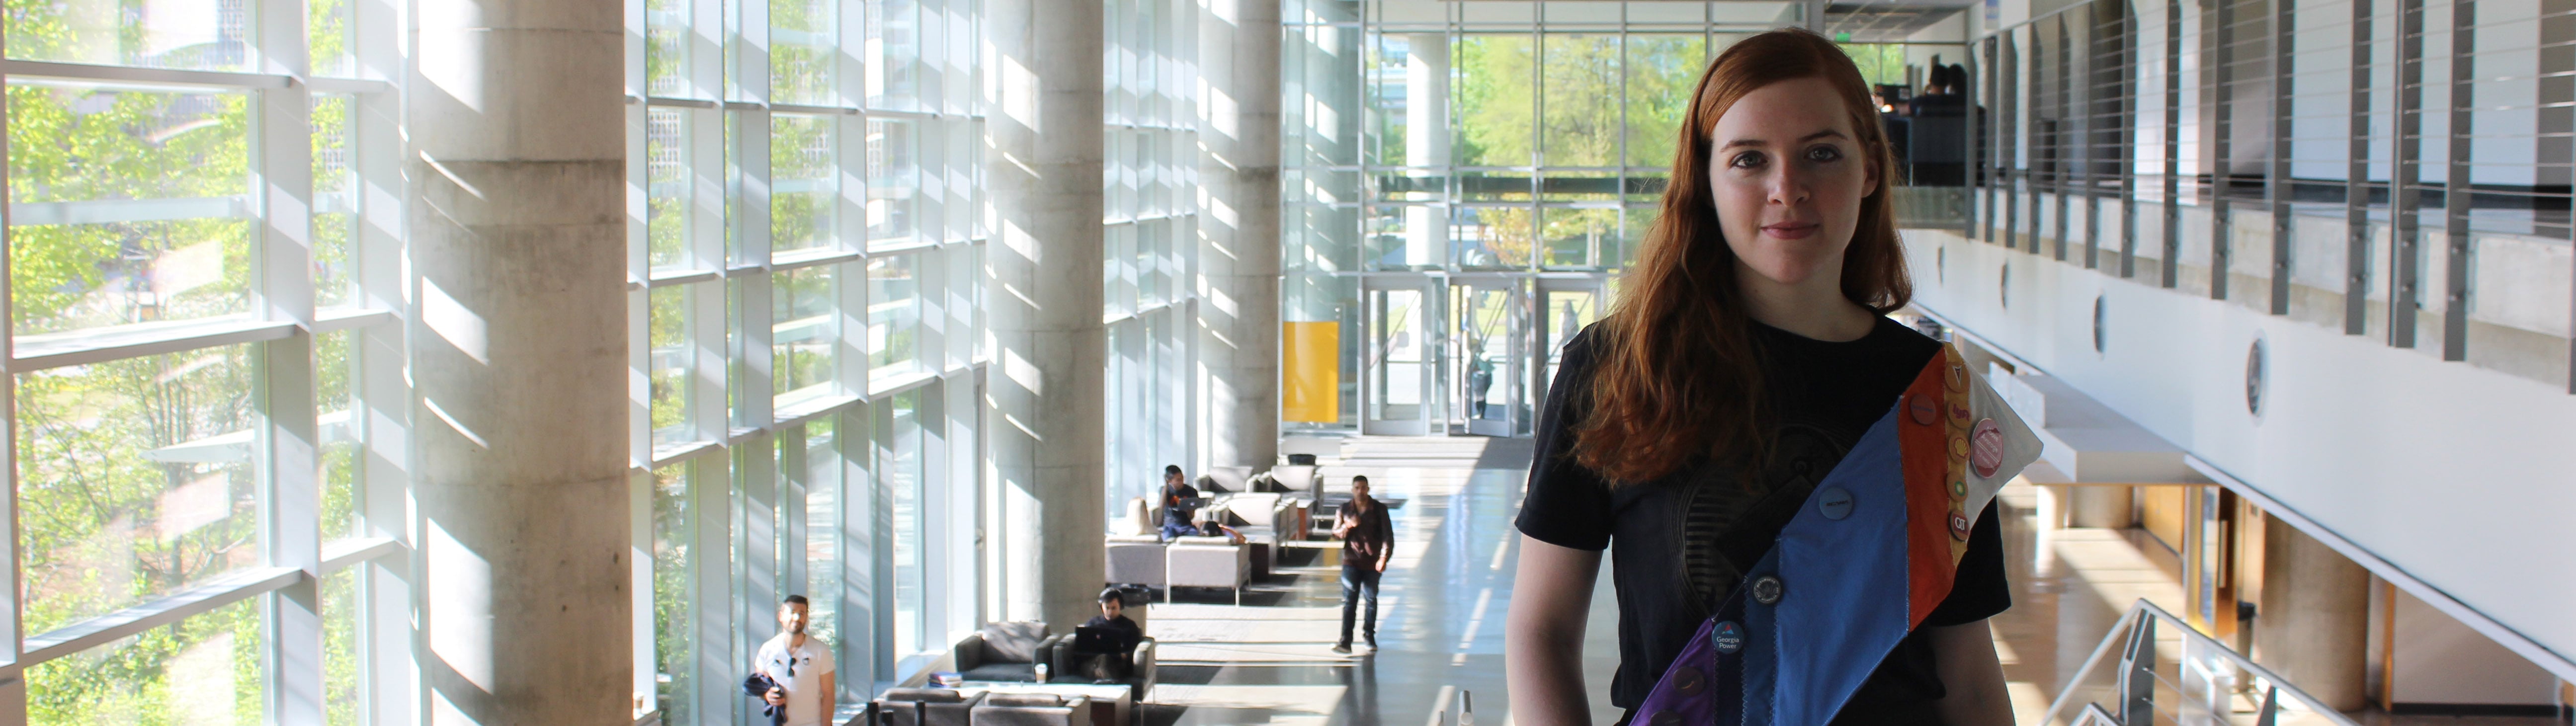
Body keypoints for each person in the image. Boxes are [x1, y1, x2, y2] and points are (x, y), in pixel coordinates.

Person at [1502, 29, 2015, 726]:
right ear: (1706, 182)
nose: (1786, 189)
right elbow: (1540, 630)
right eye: (1749, 159)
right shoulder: (1614, 367)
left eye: (1820, 154)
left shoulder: (1932, 392)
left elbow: (1966, 666)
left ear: (1868, 169)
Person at [1330, 475, 1392, 654]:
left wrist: (1383, 558)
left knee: (1371, 599)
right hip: (1352, 561)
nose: (1360, 491)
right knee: (1350, 600)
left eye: (1363, 488)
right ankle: (1345, 640)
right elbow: (1335, 534)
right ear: (1352, 490)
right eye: (1357, 488)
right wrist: (1348, 526)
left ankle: (1369, 636)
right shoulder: (1344, 510)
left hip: (1372, 562)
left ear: (1368, 489)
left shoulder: (1379, 510)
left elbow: (1388, 536)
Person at [753, 595, 837, 726]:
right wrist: (767, 695)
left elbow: (828, 694)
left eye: (801, 613)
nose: (797, 618)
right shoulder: (768, 649)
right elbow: (760, 685)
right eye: (792, 613)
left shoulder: (821, 651)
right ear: (781, 616)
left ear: (806, 618)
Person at [1073, 587, 1145, 680]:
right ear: (1101, 606)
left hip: (1116, 664)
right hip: (1092, 664)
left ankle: (1104, 678)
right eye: (1107, 608)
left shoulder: (1129, 626)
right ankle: (1108, 681)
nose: (1110, 612)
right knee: (1101, 660)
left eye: (1114, 608)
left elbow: (1135, 647)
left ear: (1121, 607)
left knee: (1105, 659)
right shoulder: (1092, 624)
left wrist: (1125, 655)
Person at [1158, 464, 1200, 541]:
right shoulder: (1165, 490)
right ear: (1170, 481)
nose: (1181, 482)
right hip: (1170, 526)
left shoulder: (1191, 491)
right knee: (1168, 539)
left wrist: (1189, 511)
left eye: (1182, 478)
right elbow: (1161, 507)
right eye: (1178, 480)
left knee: (1195, 538)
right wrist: (1166, 486)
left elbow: (1192, 517)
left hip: (1186, 525)